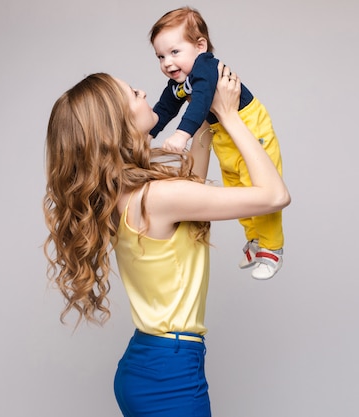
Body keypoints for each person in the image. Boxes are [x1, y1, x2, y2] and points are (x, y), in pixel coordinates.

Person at [43, 63, 290, 416]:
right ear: (117, 124)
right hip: (169, 375)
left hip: (148, 363)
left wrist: (205, 113)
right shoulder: (157, 197)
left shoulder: (125, 196)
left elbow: (195, 185)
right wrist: (231, 118)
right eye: (133, 93)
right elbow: (274, 195)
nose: (144, 93)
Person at [149, 7, 286, 279]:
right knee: (236, 186)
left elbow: (200, 102)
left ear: (200, 46)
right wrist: (148, 134)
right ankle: (254, 239)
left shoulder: (206, 67)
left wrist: (182, 134)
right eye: (160, 56)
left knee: (256, 186)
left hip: (249, 127)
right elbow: (165, 107)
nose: (167, 62)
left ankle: (273, 248)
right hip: (222, 133)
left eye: (175, 52)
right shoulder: (180, 80)